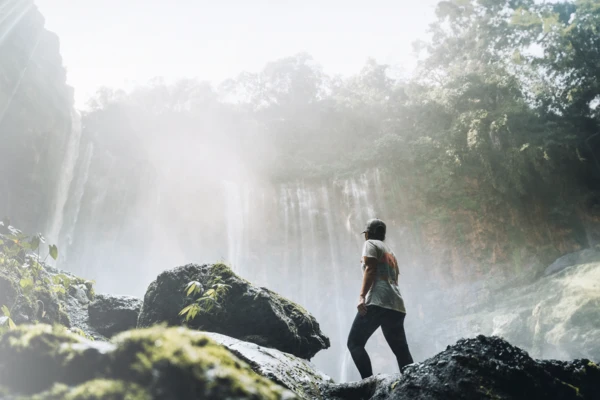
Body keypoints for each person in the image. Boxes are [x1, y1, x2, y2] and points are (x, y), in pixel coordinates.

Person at [347, 218, 413, 379]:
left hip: (377, 301)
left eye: (367, 233)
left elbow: (370, 269)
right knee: (401, 351)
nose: (366, 236)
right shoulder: (391, 252)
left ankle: (369, 383)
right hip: (396, 305)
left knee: (354, 343)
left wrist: (362, 296)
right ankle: (414, 383)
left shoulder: (371, 244)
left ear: (371, 233)